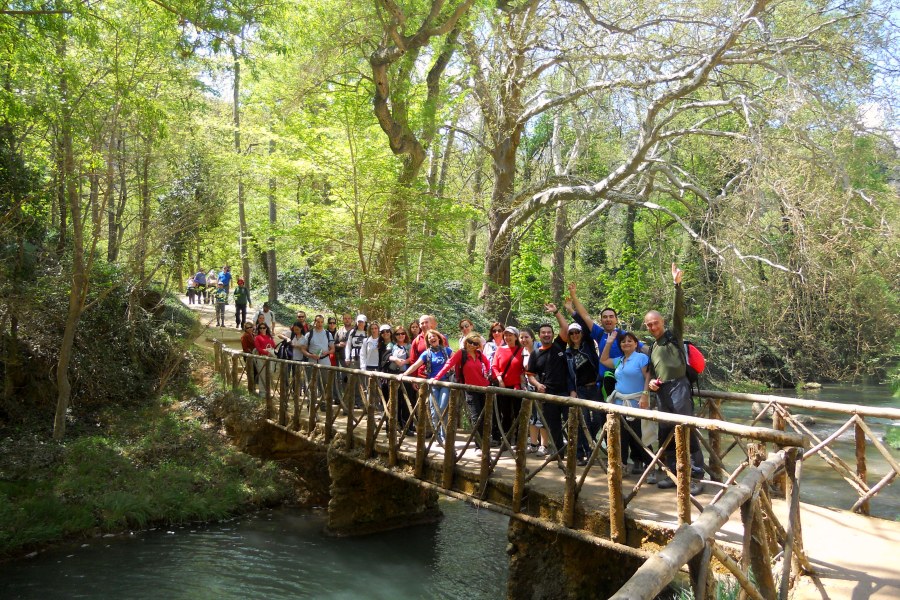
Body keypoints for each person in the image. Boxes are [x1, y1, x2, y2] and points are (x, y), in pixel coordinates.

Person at [645, 263, 704, 495]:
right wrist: (651, 385)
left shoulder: (673, 336)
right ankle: (672, 474)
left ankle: (697, 477)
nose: (652, 327)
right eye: (649, 325)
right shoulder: (652, 346)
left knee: (686, 429)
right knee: (666, 432)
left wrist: (677, 286)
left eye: (655, 323)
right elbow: (652, 371)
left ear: (662, 322)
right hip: (661, 391)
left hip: (679, 387)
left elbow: (679, 312)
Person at [567, 283, 636, 401]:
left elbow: (641, 349)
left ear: (616, 319)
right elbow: (585, 316)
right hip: (603, 384)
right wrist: (573, 296)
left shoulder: (624, 336)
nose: (608, 319)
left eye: (611, 316)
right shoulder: (599, 334)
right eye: (605, 317)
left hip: (623, 383)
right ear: (601, 320)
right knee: (603, 417)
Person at [526, 303, 576, 463]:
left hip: (566, 392)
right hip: (547, 394)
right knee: (553, 425)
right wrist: (537, 384)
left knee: (572, 424)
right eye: (543, 333)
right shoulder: (535, 354)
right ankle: (559, 453)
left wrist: (556, 312)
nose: (546, 335)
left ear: (552, 334)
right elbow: (530, 375)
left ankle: (577, 453)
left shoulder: (558, 345)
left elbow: (565, 327)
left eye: (549, 332)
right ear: (539, 336)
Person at [600, 330, 651, 475]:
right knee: (620, 434)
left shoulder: (641, 358)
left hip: (636, 402)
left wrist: (645, 395)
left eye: (630, 341)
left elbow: (647, 376)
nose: (626, 343)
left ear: (636, 344)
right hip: (619, 403)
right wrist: (609, 342)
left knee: (640, 435)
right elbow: (603, 360)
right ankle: (621, 465)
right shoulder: (620, 360)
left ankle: (649, 466)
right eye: (623, 341)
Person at [433, 331, 491, 452]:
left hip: (484, 388)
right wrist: (437, 377)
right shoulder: (461, 354)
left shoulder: (479, 354)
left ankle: (484, 442)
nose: (472, 345)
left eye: (475, 343)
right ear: (466, 341)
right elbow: (449, 364)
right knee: (475, 417)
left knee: (484, 416)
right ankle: (479, 446)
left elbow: (488, 364)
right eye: (470, 342)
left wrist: (489, 374)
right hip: (469, 389)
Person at [403, 330, 453, 445]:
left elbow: (456, 361)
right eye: (429, 338)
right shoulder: (427, 353)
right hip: (433, 384)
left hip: (445, 383)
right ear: (428, 341)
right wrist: (404, 374)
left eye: (434, 336)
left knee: (442, 408)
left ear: (439, 338)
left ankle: (443, 436)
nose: (432, 338)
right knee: (434, 411)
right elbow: (415, 365)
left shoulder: (447, 350)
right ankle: (437, 436)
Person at [565, 321, 602, 466]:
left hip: (595, 387)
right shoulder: (568, 353)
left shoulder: (588, 345)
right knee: (583, 421)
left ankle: (588, 445)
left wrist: (572, 310)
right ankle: (586, 453)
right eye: (572, 333)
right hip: (580, 389)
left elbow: (587, 326)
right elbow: (568, 375)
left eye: (577, 332)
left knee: (598, 419)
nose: (575, 335)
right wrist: (572, 390)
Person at [491, 326, 526, 449]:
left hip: (517, 387)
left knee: (518, 413)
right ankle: (506, 438)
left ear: (516, 337)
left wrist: (520, 382)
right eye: (506, 335)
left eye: (510, 335)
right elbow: (494, 366)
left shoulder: (521, 350)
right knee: (505, 413)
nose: (507, 337)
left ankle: (518, 440)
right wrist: (500, 379)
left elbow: (524, 368)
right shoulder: (500, 350)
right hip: (503, 386)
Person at [520, 328, 550, 455]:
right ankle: (533, 444)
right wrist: (524, 385)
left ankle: (544, 445)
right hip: (530, 387)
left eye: (526, 337)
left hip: (542, 387)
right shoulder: (523, 352)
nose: (524, 340)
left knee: (542, 416)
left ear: (533, 338)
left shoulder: (541, 349)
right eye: (521, 337)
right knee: (532, 417)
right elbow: (523, 371)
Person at [386, 325, 415, 435]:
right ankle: (393, 425)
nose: (400, 336)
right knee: (394, 400)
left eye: (402, 333)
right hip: (393, 375)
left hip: (406, 375)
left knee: (406, 400)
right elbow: (386, 356)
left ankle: (407, 426)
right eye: (398, 334)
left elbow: (413, 358)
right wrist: (395, 359)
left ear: (406, 335)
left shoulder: (409, 345)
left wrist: (404, 362)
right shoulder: (391, 345)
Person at [253, 322, 276, 396]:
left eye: (264, 327)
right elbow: (258, 348)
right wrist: (266, 353)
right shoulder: (257, 337)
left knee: (270, 372)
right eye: (261, 328)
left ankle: (268, 390)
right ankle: (262, 392)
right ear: (258, 329)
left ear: (266, 328)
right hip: (262, 357)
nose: (262, 329)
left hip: (271, 356)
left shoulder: (269, 337)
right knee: (262, 374)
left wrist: (271, 352)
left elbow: (274, 345)